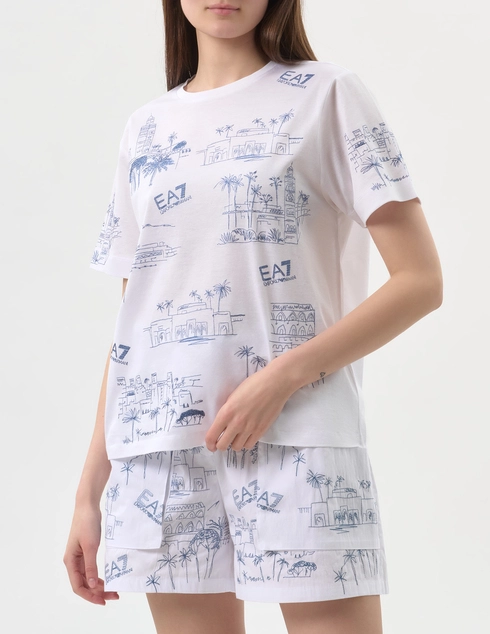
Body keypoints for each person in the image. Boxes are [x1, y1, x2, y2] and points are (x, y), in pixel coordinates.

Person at [63, 1, 443, 632]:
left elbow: (421, 281)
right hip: (160, 458)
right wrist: (88, 491)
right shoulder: (148, 128)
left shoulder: (329, 96)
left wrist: (283, 377)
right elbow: (136, 326)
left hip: (299, 438)